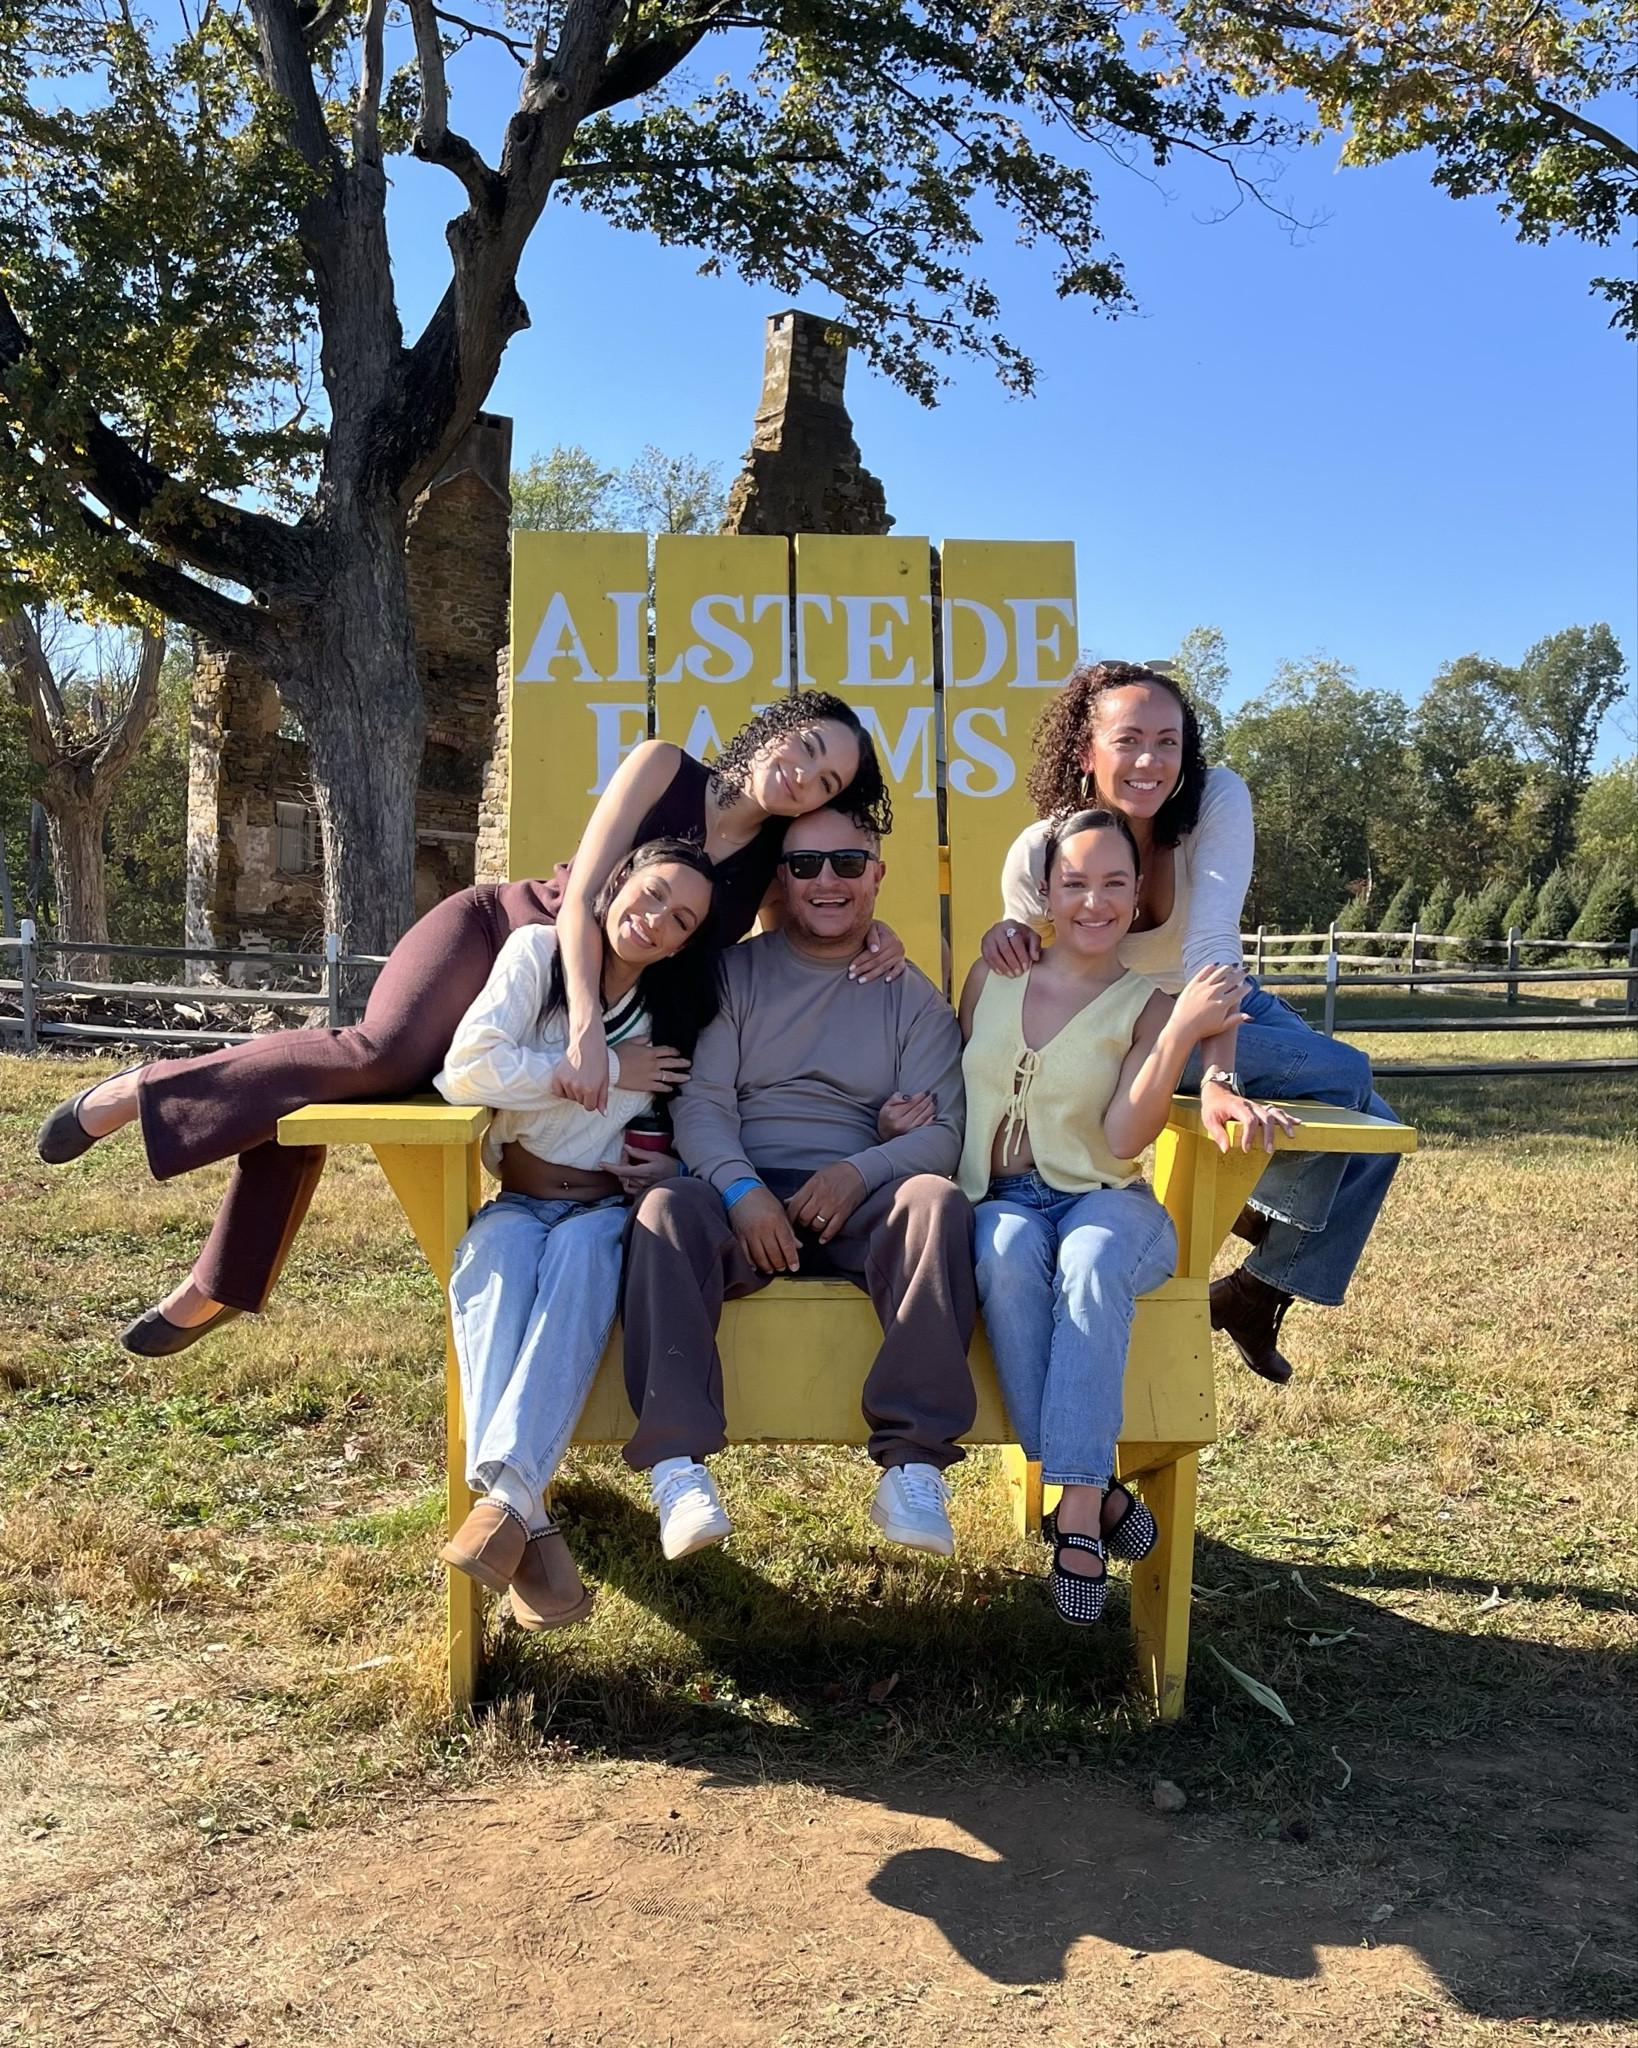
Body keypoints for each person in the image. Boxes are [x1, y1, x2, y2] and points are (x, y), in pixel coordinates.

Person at [33, 691, 897, 1356]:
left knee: (333, 1088)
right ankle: (139, 1091)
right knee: (377, 1057)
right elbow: (584, 900)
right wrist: (587, 1027)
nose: (805, 775)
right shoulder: (661, 765)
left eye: (826, 782)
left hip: (581, 1010)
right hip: (510, 937)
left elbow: (823, 920)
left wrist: (879, 932)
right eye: (808, 748)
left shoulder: (773, 868)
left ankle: (218, 1280)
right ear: (778, 728)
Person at [980, 660, 1402, 1385]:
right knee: (1349, 1075)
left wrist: (1221, 1076)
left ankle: (1255, 1288)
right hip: (1119, 1021)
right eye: (1129, 739)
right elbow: (1022, 975)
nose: (1150, 761)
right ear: (1086, 750)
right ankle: (1253, 1215)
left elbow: (1212, 939)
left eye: (1168, 742)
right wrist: (1004, 936)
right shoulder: (1042, 850)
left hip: (1218, 992)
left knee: (1377, 1132)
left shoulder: (1214, 800)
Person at [620, 805, 976, 1563]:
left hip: (860, 1200)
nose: (828, 881)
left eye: (849, 864)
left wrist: (861, 1170)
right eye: (807, 865)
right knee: (666, 1208)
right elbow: (704, 1103)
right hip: (743, 1190)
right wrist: (741, 1192)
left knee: (936, 1203)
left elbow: (943, 1134)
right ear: (781, 879)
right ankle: (677, 1468)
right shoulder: (736, 974)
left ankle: (913, 1465)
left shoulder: (911, 996)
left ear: (876, 876)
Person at [960, 809, 1248, 1625]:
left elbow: (1126, 1136)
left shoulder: (1150, 1003)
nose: (1095, 901)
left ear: (1138, 894)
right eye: (1076, 882)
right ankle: (1099, 1489)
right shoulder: (993, 975)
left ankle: (1075, 1510)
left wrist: (1184, 1033)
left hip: (1110, 1205)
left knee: (1086, 1264)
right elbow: (957, 1086)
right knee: (1008, 1250)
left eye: (1115, 883)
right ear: (1044, 890)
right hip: (1001, 1198)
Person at [432, 838, 721, 1630]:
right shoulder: (536, 955)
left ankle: (505, 1511)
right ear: (619, 881)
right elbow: (465, 1070)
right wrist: (593, 1068)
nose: (657, 922)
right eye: (654, 895)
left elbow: (696, 1120)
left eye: (682, 920)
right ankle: (525, 1512)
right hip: (517, 1203)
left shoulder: (675, 1012)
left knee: (585, 1260)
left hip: (603, 1212)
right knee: (492, 1263)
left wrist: (670, 1176)